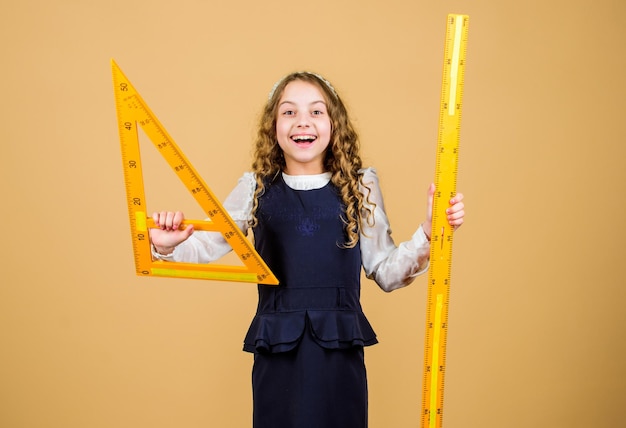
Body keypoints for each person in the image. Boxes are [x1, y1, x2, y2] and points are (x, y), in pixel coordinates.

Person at [148, 71, 465, 428]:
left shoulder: (360, 187)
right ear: (273, 125)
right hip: (278, 353)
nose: (303, 122)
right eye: (289, 112)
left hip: (339, 353)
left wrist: (427, 232)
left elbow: (388, 272)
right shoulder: (254, 188)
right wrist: (166, 246)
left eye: (317, 112)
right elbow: (209, 244)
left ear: (334, 124)